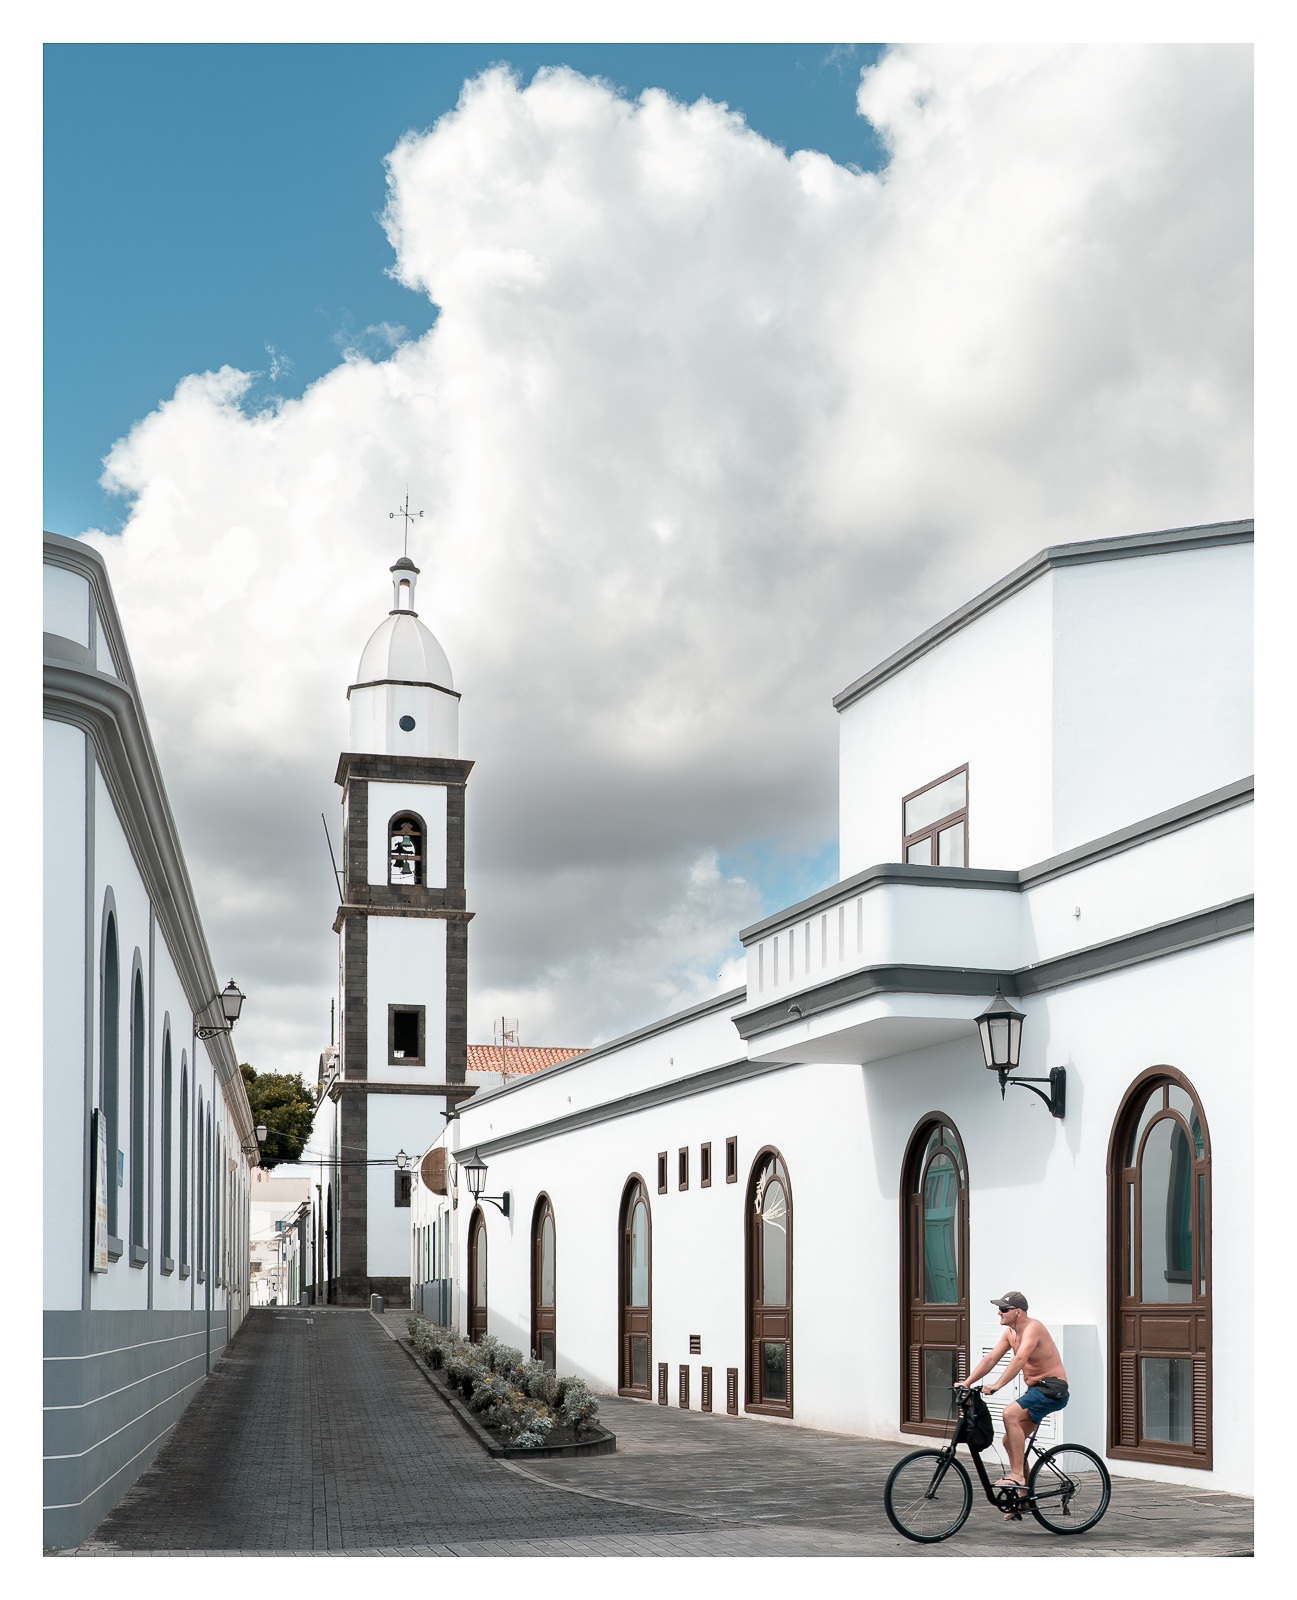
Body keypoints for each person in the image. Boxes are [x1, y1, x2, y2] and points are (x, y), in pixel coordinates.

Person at [961, 1291, 1069, 1492]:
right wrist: (967, 1382)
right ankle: (1022, 1499)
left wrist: (997, 1385)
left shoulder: (1033, 1328)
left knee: (1009, 1413)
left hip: (1052, 1388)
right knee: (1008, 1440)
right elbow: (991, 1358)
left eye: (1003, 1309)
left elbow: (1019, 1359)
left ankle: (1018, 1475)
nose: (999, 1313)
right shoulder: (1010, 1333)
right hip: (1036, 1390)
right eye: (999, 1309)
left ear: (1018, 1312)